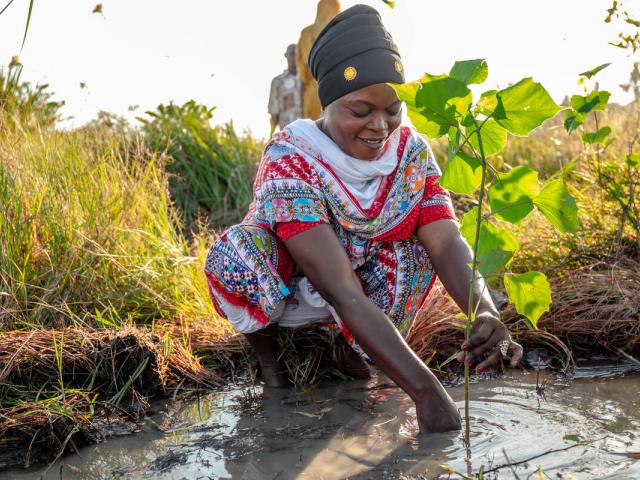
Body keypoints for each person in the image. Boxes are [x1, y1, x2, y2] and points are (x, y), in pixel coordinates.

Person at [205, 4, 523, 433]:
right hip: (297, 285)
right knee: (236, 254)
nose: (380, 126)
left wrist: (483, 311)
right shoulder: (292, 157)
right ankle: (270, 361)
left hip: (364, 282)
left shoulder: (409, 152)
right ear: (329, 102)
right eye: (360, 111)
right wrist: (426, 392)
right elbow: (339, 289)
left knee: (418, 249)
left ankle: (359, 354)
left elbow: (447, 242)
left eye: (393, 110)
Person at [296, 0, 341, 120]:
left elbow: (302, 69)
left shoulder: (306, 33)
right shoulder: (342, 31)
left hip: (313, 96)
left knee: (313, 134)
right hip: (339, 94)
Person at [268, 44, 303, 134]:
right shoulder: (278, 82)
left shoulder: (308, 80)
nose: (295, 56)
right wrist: (271, 136)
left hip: (309, 133)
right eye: (292, 54)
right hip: (288, 134)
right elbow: (274, 114)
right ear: (286, 55)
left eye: (297, 53)